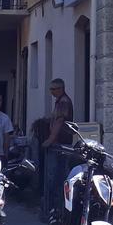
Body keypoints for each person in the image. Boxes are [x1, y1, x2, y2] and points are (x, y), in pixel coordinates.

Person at [40, 79, 74, 217]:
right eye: (50, 89)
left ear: (61, 88)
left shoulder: (63, 102)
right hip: (59, 144)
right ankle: (55, 210)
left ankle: (56, 211)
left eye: (54, 89)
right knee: (56, 178)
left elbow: (59, 121)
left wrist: (50, 139)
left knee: (57, 178)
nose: (51, 92)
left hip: (61, 145)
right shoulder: (59, 101)